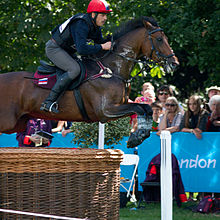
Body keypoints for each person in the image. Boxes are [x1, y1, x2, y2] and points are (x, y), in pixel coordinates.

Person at [40, 0, 112, 114]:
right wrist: (103, 46)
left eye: (106, 15)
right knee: (74, 69)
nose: (105, 18)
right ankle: (48, 102)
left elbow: (100, 42)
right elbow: (83, 49)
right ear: (93, 14)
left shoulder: (95, 26)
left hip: (67, 51)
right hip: (55, 48)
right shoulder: (81, 23)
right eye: (102, 15)